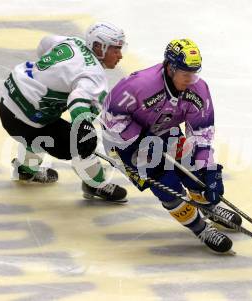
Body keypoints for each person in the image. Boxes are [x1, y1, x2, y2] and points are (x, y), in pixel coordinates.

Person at [101, 38, 242, 253]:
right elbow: (110, 116)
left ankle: (209, 207)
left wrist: (207, 168)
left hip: (164, 131)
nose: (191, 79)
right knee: (167, 185)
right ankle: (201, 229)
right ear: (170, 67)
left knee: (195, 169)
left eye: (194, 73)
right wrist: (139, 141)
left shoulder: (198, 88)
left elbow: (202, 134)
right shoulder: (139, 85)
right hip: (125, 143)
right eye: (186, 73)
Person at [0, 21, 127, 203]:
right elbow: (77, 102)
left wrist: (53, 75)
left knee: (45, 127)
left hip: (7, 102)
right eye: (116, 49)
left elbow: (44, 44)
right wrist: (84, 128)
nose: (120, 55)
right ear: (99, 47)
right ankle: (95, 184)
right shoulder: (94, 75)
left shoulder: (72, 41)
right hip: (28, 119)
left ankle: (25, 170)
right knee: (83, 144)